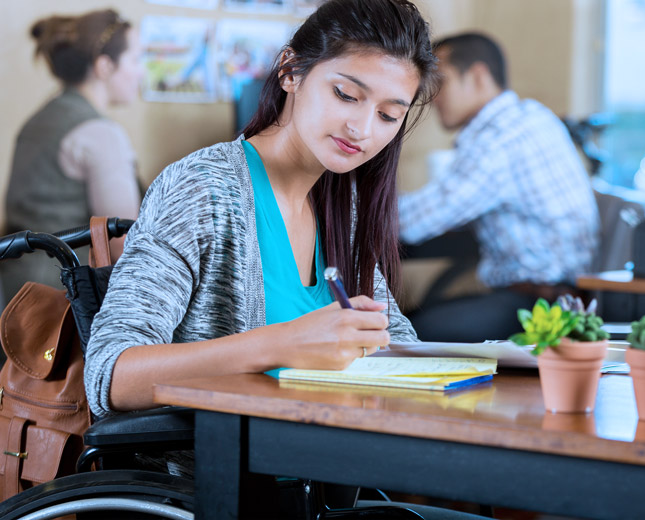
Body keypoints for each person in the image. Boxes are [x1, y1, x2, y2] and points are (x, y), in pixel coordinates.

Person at [85, 0, 437, 420]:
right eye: (345, 95)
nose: (362, 129)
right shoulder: (203, 187)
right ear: (290, 71)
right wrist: (283, 343)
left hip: (331, 471)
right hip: (232, 478)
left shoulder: (345, 206)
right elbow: (110, 375)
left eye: (387, 115)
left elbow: (392, 341)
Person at [398, 32, 600, 342]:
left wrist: (351, 209)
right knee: (416, 317)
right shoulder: (529, 116)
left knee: (408, 331)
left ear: (478, 76)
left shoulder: (502, 136)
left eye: (440, 81)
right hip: (559, 296)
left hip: (544, 306)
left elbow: (413, 222)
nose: (431, 95)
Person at [2, 9, 143, 301]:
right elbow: (123, 245)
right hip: (59, 304)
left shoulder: (39, 119)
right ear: (104, 66)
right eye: (136, 59)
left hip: (12, 291)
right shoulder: (101, 134)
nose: (141, 71)